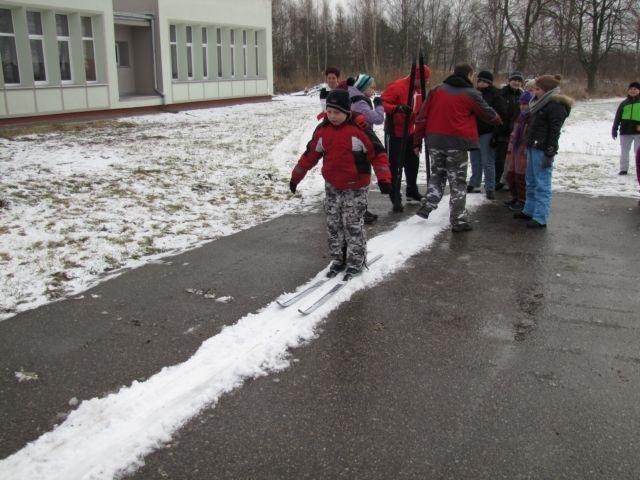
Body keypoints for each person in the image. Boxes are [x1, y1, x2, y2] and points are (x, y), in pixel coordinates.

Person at [289, 90, 392, 279]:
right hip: (332, 186)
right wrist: (296, 177)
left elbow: (378, 154)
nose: (333, 116)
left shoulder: (359, 130)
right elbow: (309, 155)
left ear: (346, 111)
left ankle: (355, 262)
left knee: (352, 224)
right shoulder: (323, 131)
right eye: (329, 112)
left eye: (337, 112)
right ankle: (338, 259)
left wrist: (384, 179)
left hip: (355, 186)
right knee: (333, 224)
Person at [413, 64, 502, 232]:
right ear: (469, 75)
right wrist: (498, 121)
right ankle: (459, 220)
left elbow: (422, 116)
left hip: (435, 141)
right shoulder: (471, 94)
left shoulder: (437, 90)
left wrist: (417, 141)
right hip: (457, 143)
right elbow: (488, 113)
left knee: (437, 174)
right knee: (457, 181)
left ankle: (429, 203)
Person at [513, 74, 574, 228]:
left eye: (538, 89)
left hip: (542, 149)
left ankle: (540, 217)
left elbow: (555, 131)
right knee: (531, 180)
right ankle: (529, 210)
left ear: (547, 90)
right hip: (533, 145)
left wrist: (550, 152)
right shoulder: (540, 103)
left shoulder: (556, 106)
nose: (534, 92)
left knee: (542, 183)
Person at [381, 65, 431, 211]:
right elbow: (382, 103)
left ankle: (412, 190)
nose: (426, 82)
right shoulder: (397, 86)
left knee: (413, 162)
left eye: (427, 80)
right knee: (395, 163)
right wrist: (396, 108)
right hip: (395, 131)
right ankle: (395, 195)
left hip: (411, 130)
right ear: (415, 77)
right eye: (424, 79)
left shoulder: (421, 89)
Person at [348, 73, 386, 224]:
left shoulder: (355, 98)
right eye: (371, 86)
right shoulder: (360, 103)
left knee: (360, 177)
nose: (374, 88)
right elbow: (377, 119)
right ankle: (359, 211)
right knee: (361, 177)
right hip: (359, 145)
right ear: (363, 87)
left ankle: (361, 210)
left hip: (357, 143)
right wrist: (379, 105)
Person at [467, 70, 507, 200]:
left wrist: (496, 134)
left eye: (485, 82)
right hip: (473, 131)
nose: (482, 83)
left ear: (490, 83)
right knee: (475, 160)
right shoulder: (473, 93)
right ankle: (474, 183)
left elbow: (500, 115)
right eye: (480, 81)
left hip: (488, 132)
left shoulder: (496, 95)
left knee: (487, 161)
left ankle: (490, 187)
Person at [503, 90, 534, 211]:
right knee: (510, 175)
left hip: (524, 150)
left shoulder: (532, 118)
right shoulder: (520, 118)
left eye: (525, 104)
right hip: (514, 149)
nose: (522, 107)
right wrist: (510, 148)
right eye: (521, 104)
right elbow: (513, 134)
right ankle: (515, 197)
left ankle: (522, 200)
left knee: (521, 177)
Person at [496, 71, 524, 189]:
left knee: (511, 159)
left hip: (515, 132)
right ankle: (497, 180)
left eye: (519, 81)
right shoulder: (501, 93)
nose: (516, 83)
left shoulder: (522, 96)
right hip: (501, 130)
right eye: (514, 80)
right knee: (499, 158)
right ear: (509, 81)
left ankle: (508, 181)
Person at [611, 82, 640, 175]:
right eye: (631, 89)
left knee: (638, 152)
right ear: (628, 91)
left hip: (638, 132)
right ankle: (623, 169)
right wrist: (614, 129)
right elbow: (617, 117)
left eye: (635, 89)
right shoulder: (623, 104)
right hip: (625, 131)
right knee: (624, 152)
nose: (633, 91)